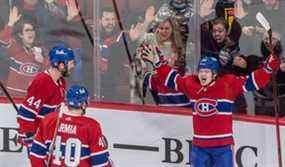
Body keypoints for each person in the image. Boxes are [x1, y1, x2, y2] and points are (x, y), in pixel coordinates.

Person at [144, 49, 280, 166]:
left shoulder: (228, 84)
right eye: (201, 71)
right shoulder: (191, 85)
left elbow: (253, 81)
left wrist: (267, 69)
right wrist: (157, 63)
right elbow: (172, 79)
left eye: (207, 71)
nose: (203, 74)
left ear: (214, 74)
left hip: (222, 146)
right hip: (200, 147)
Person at [30, 85, 112, 167]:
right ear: (83, 104)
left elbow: (36, 155)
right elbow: (100, 162)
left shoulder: (48, 120)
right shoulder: (91, 126)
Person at [17, 45, 76, 153]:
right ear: (61, 65)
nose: (73, 66)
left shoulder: (61, 81)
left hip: (48, 136)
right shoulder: (42, 82)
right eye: (71, 63)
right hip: (38, 139)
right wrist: (31, 138)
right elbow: (25, 114)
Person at [0, 6, 47, 96]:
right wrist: (10, 23)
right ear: (21, 35)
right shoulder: (14, 48)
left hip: (31, 99)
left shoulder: (42, 51)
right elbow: (2, 40)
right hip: (12, 98)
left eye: (33, 30)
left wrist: (42, 61)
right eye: (27, 30)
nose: (31, 33)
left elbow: (53, 72)